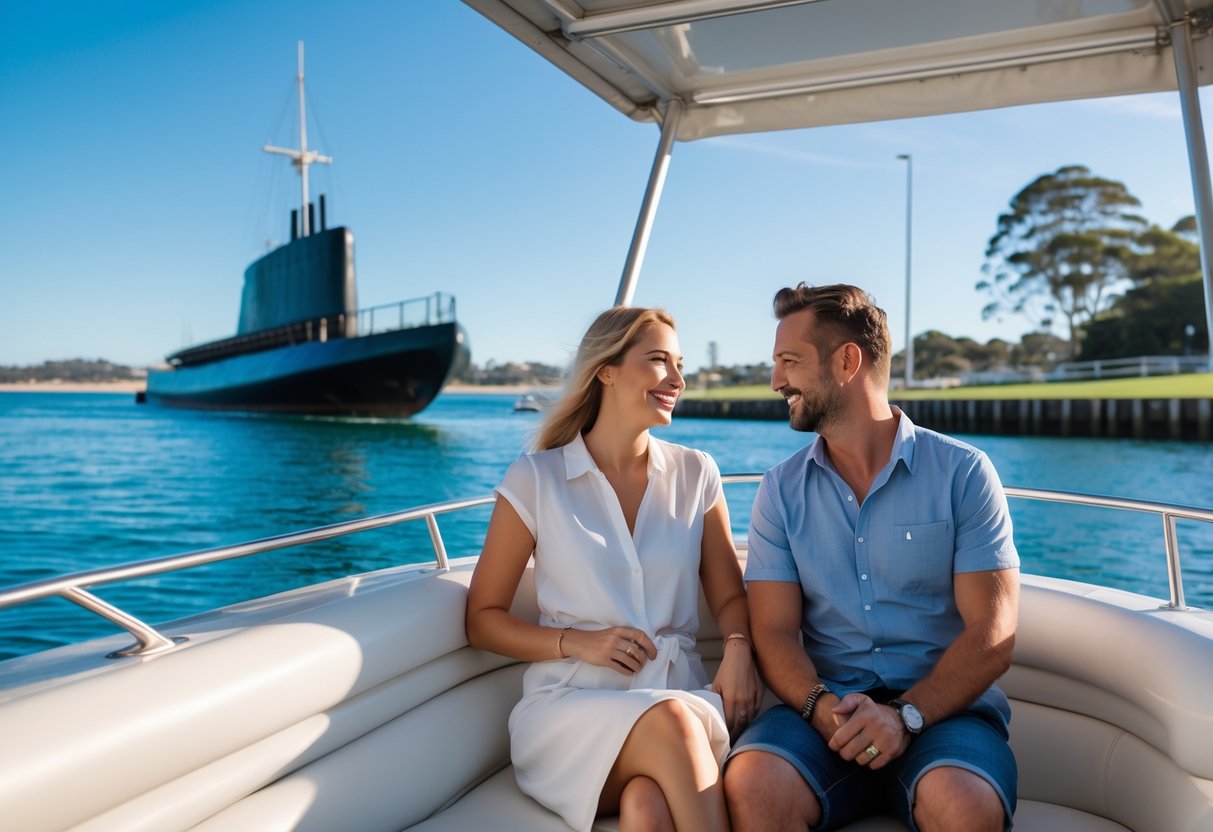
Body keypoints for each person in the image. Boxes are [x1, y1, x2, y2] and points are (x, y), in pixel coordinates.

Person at [723, 284, 1020, 832]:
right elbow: (774, 630)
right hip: (824, 714)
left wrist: (904, 717)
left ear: (847, 361)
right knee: (753, 782)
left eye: (789, 362)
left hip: (943, 715)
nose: (776, 381)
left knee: (964, 802)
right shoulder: (779, 492)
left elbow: (993, 633)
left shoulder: (964, 474)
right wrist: (821, 707)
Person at [466, 306, 761, 832]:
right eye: (658, 361)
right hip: (570, 712)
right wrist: (577, 642)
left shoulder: (698, 474)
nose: (678, 379)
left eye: (679, 364)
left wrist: (738, 647)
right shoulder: (537, 478)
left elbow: (729, 598)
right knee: (671, 725)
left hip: (680, 698)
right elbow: (482, 619)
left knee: (647, 807)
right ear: (606, 370)